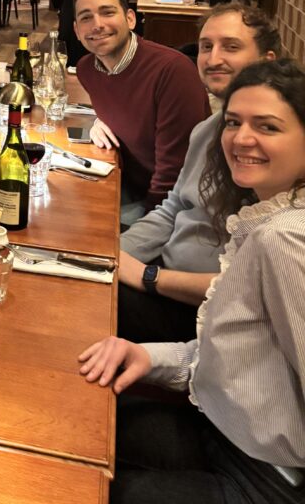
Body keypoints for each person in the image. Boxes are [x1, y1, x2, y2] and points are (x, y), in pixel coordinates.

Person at [79, 59, 305, 504]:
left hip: (267, 480)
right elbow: (241, 358)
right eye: (234, 122)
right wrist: (149, 356)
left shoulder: (285, 238)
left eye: (268, 127)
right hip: (218, 427)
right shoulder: (265, 218)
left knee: (86, 491)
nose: (241, 138)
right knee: (82, 420)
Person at [117, 2, 281, 343]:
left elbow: (252, 285)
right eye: (206, 46)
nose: (213, 58)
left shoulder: (270, 153)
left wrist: (148, 276)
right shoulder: (207, 130)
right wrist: (111, 254)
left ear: (267, 60)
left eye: (231, 46)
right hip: (164, 272)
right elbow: (173, 208)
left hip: (207, 314)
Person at [73, 0, 209, 223]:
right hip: (126, 184)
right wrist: (98, 121)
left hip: (180, 207)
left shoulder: (173, 71)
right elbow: (124, 107)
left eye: (108, 12)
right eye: (86, 17)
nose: (97, 24)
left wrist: (145, 226)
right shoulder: (87, 70)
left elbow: (174, 172)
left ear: (130, 19)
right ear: (76, 30)